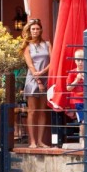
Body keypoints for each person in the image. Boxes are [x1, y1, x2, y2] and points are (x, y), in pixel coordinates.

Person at [23, 18, 51, 148]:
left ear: (41, 30)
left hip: (46, 77)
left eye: (37, 29)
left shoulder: (47, 44)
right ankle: (32, 141)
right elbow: (30, 65)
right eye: (33, 29)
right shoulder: (27, 46)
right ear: (30, 30)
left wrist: (44, 72)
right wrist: (38, 79)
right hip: (32, 79)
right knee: (32, 111)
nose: (35, 31)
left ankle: (40, 140)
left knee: (42, 111)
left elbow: (53, 61)